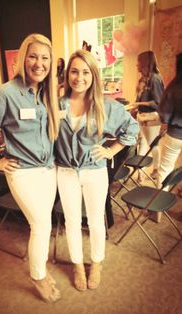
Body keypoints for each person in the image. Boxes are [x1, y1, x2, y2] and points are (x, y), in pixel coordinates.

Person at [0, 33, 60, 302]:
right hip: (23, 172)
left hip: (48, 169)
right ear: (22, 59)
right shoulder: (4, 94)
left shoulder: (47, 93)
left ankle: (40, 268)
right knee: (41, 225)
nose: (39, 63)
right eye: (33, 56)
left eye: (45, 58)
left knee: (43, 223)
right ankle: (38, 276)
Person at [54, 49, 139, 291]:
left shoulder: (106, 106)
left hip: (94, 170)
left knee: (95, 220)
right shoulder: (57, 104)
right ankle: (78, 264)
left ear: (93, 75)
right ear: (67, 74)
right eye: (74, 71)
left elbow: (131, 129)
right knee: (71, 220)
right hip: (66, 171)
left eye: (85, 72)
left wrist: (111, 150)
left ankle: (97, 263)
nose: (78, 77)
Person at [154, 52, 182, 222]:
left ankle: (158, 211)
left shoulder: (173, 87)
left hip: (174, 134)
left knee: (165, 169)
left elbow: (163, 113)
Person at [131, 51, 164, 182]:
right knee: (141, 144)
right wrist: (135, 108)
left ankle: (156, 169)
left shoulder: (155, 79)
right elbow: (140, 97)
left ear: (145, 63)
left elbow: (158, 103)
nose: (136, 65)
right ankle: (141, 173)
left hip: (151, 117)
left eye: (138, 62)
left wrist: (138, 103)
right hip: (141, 116)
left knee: (153, 143)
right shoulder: (143, 79)